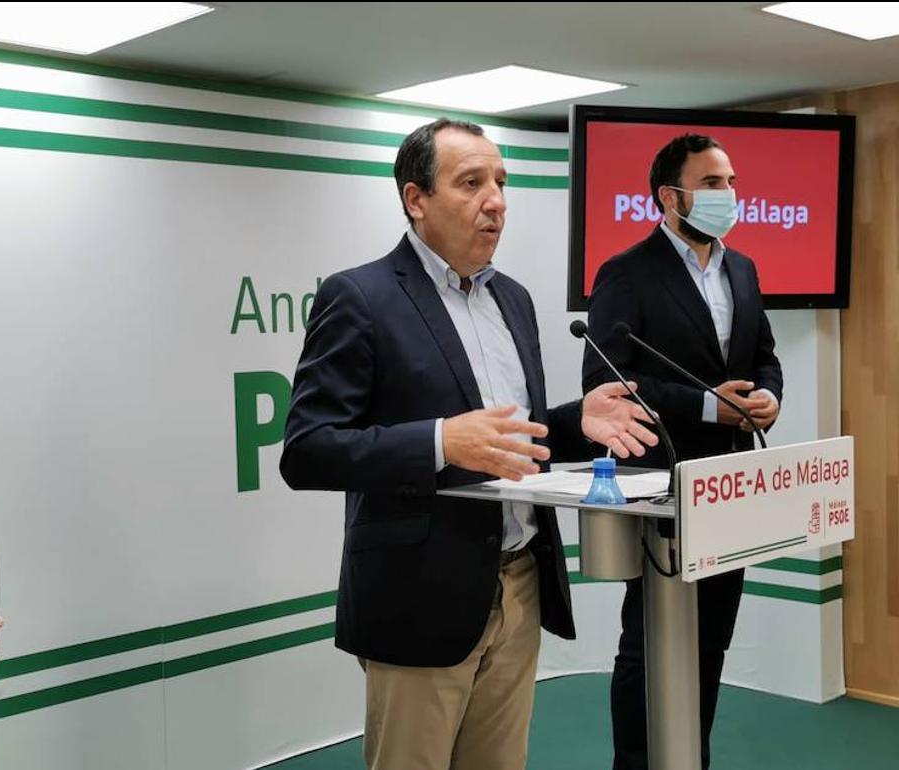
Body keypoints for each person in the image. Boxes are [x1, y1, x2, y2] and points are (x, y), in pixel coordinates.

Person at [280, 118, 658, 770]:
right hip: (418, 595)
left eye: (502, 183)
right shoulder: (361, 297)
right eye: (472, 182)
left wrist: (574, 422)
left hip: (518, 585)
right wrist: (438, 441)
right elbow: (308, 448)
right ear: (416, 199)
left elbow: (512, 438)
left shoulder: (512, 299)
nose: (497, 201)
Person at [582, 133, 783, 770]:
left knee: (710, 641)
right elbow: (604, 381)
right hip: (661, 488)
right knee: (651, 642)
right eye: (714, 184)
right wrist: (705, 405)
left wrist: (768, 397)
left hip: (729, 485)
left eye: (732, 183)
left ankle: (689, 756)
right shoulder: (626, 272)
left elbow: (764, 358)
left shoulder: (743, 268)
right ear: (671, 196)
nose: (730, 195)